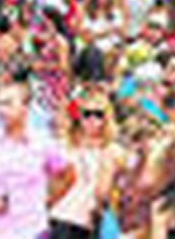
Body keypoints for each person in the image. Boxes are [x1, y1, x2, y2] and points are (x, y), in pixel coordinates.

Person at [0, 74, 76, 239]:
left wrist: (47, 202)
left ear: (25, 108)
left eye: (8, 104)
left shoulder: (42, 143)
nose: (1, 110)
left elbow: (68, 175)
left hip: (32, 231)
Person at [51, 90, 127, 239]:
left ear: (106, 118)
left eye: (98, 114)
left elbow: (112, 189)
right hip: (58, 216)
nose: (92, 119)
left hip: (88, 223)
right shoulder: (65, 145)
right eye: (87, 114)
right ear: (79, 116)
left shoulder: (113, 151)